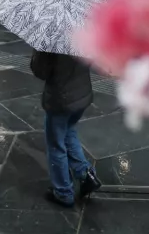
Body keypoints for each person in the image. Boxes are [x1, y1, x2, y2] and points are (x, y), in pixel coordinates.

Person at [30, 51, 102, 208]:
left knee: (56, 144)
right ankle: (85, 175)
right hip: (81, 95)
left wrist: (37, 54)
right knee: (68, 132)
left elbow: (40, 71)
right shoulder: (83, 30)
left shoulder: (51, 41)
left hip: (60, 99)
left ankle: (63, 192)